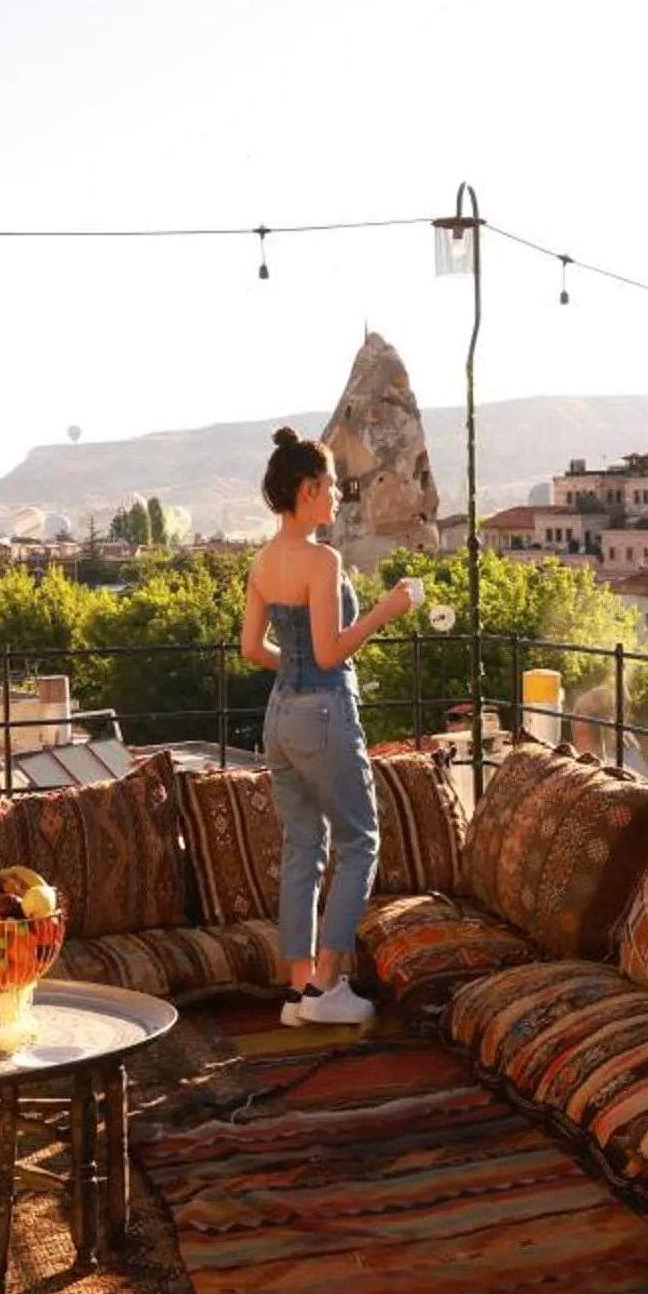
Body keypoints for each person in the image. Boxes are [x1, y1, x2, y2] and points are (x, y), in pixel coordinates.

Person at [241, 427, 417, 1026]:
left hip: (279, 714)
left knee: (301, 847)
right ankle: (327, 986)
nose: (339, 496)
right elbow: (329, 652)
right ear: (309, 489)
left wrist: (291, 672)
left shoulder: (263, 560)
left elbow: (251, 649)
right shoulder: (322, 559)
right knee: (359, 841)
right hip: (323, 711)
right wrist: (386, 611)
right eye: (333, 487)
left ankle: (297, 994)